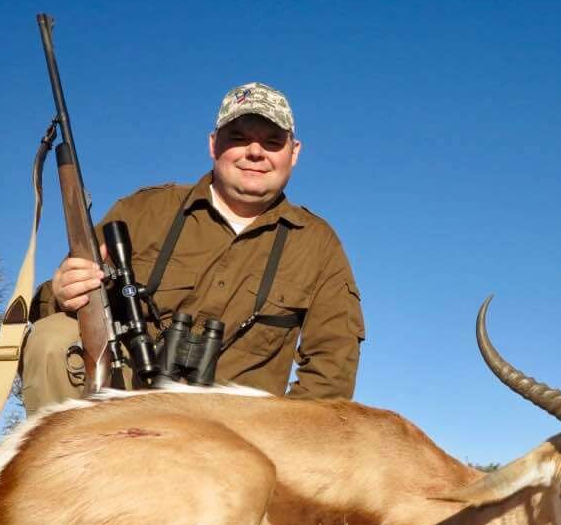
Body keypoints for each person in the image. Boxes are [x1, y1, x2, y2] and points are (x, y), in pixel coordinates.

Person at [22, 82, 365, 414]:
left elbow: (331, 367)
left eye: (273, 142)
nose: (256, 152)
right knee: (53, 339)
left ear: (294, 153)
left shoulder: (318, 243)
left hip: (238, 431)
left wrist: (280, 438)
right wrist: (62, 292)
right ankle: (72, 468)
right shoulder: (143, 211)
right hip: (126, 403)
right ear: (213, 144)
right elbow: (58, 300)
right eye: (239, 138)